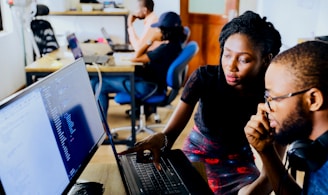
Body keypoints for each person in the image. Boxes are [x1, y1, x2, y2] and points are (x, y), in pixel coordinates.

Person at [120, 10, 282, 194]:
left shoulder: (274, 99)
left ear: (266, 60)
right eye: (227, 54)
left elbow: (271, 177)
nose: (231, 66)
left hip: (239, 164)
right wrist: (160, 139)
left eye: (243, 59)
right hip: (197, 154)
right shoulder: (204, 78)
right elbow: (170, 135)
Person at [244, 41, 328, 195]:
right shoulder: (318, 149)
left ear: (313, 100)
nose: (264, 107)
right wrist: (266, 150)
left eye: (273, 98)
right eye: (266, 97)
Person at [95, 11, 186, 119]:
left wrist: (150, 40)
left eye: (159, 29)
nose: (157, 31)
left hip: (149, 87)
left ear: (165, 31)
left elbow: (136, 57)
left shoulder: (165, 49)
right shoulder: (176, 45)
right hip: (151, 82)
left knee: (99, 85)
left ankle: (102, 127)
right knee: (97, 80)